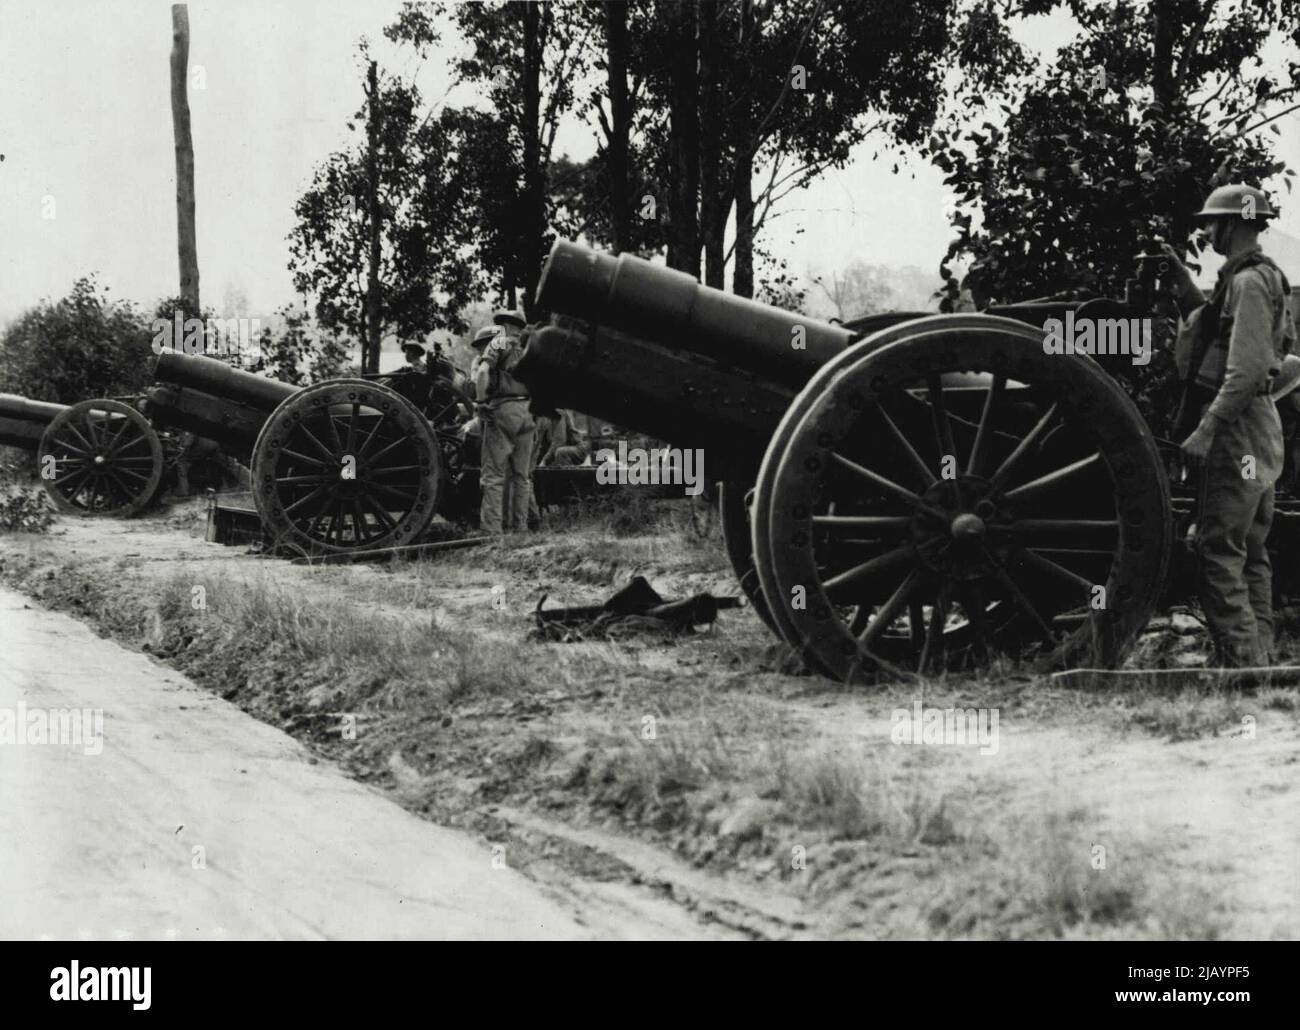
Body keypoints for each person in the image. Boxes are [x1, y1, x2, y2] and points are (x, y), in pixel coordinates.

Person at [1160, 183, 1295, 667]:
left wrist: (1206, 428)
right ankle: (1260, 655)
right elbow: (1221, 335)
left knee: (1218, 546)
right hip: (1258, 426)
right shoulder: (1258, 277)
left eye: (1213, 223)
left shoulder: (1249, 282)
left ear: (1235, 223)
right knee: (1250, 550)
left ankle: (1243, 663)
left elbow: (1246, 369)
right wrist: (1181, 284)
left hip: (1239, 428)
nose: (1208, 231)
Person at [475, 309, 535, 534]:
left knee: (494, 474)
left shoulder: (499, 343)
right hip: (528, 411)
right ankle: (520, 528)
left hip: (504, 409)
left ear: (506, 326)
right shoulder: (531, 347)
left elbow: (482, 373)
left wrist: (481, 402)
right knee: (522, 475)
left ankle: (492, 531)